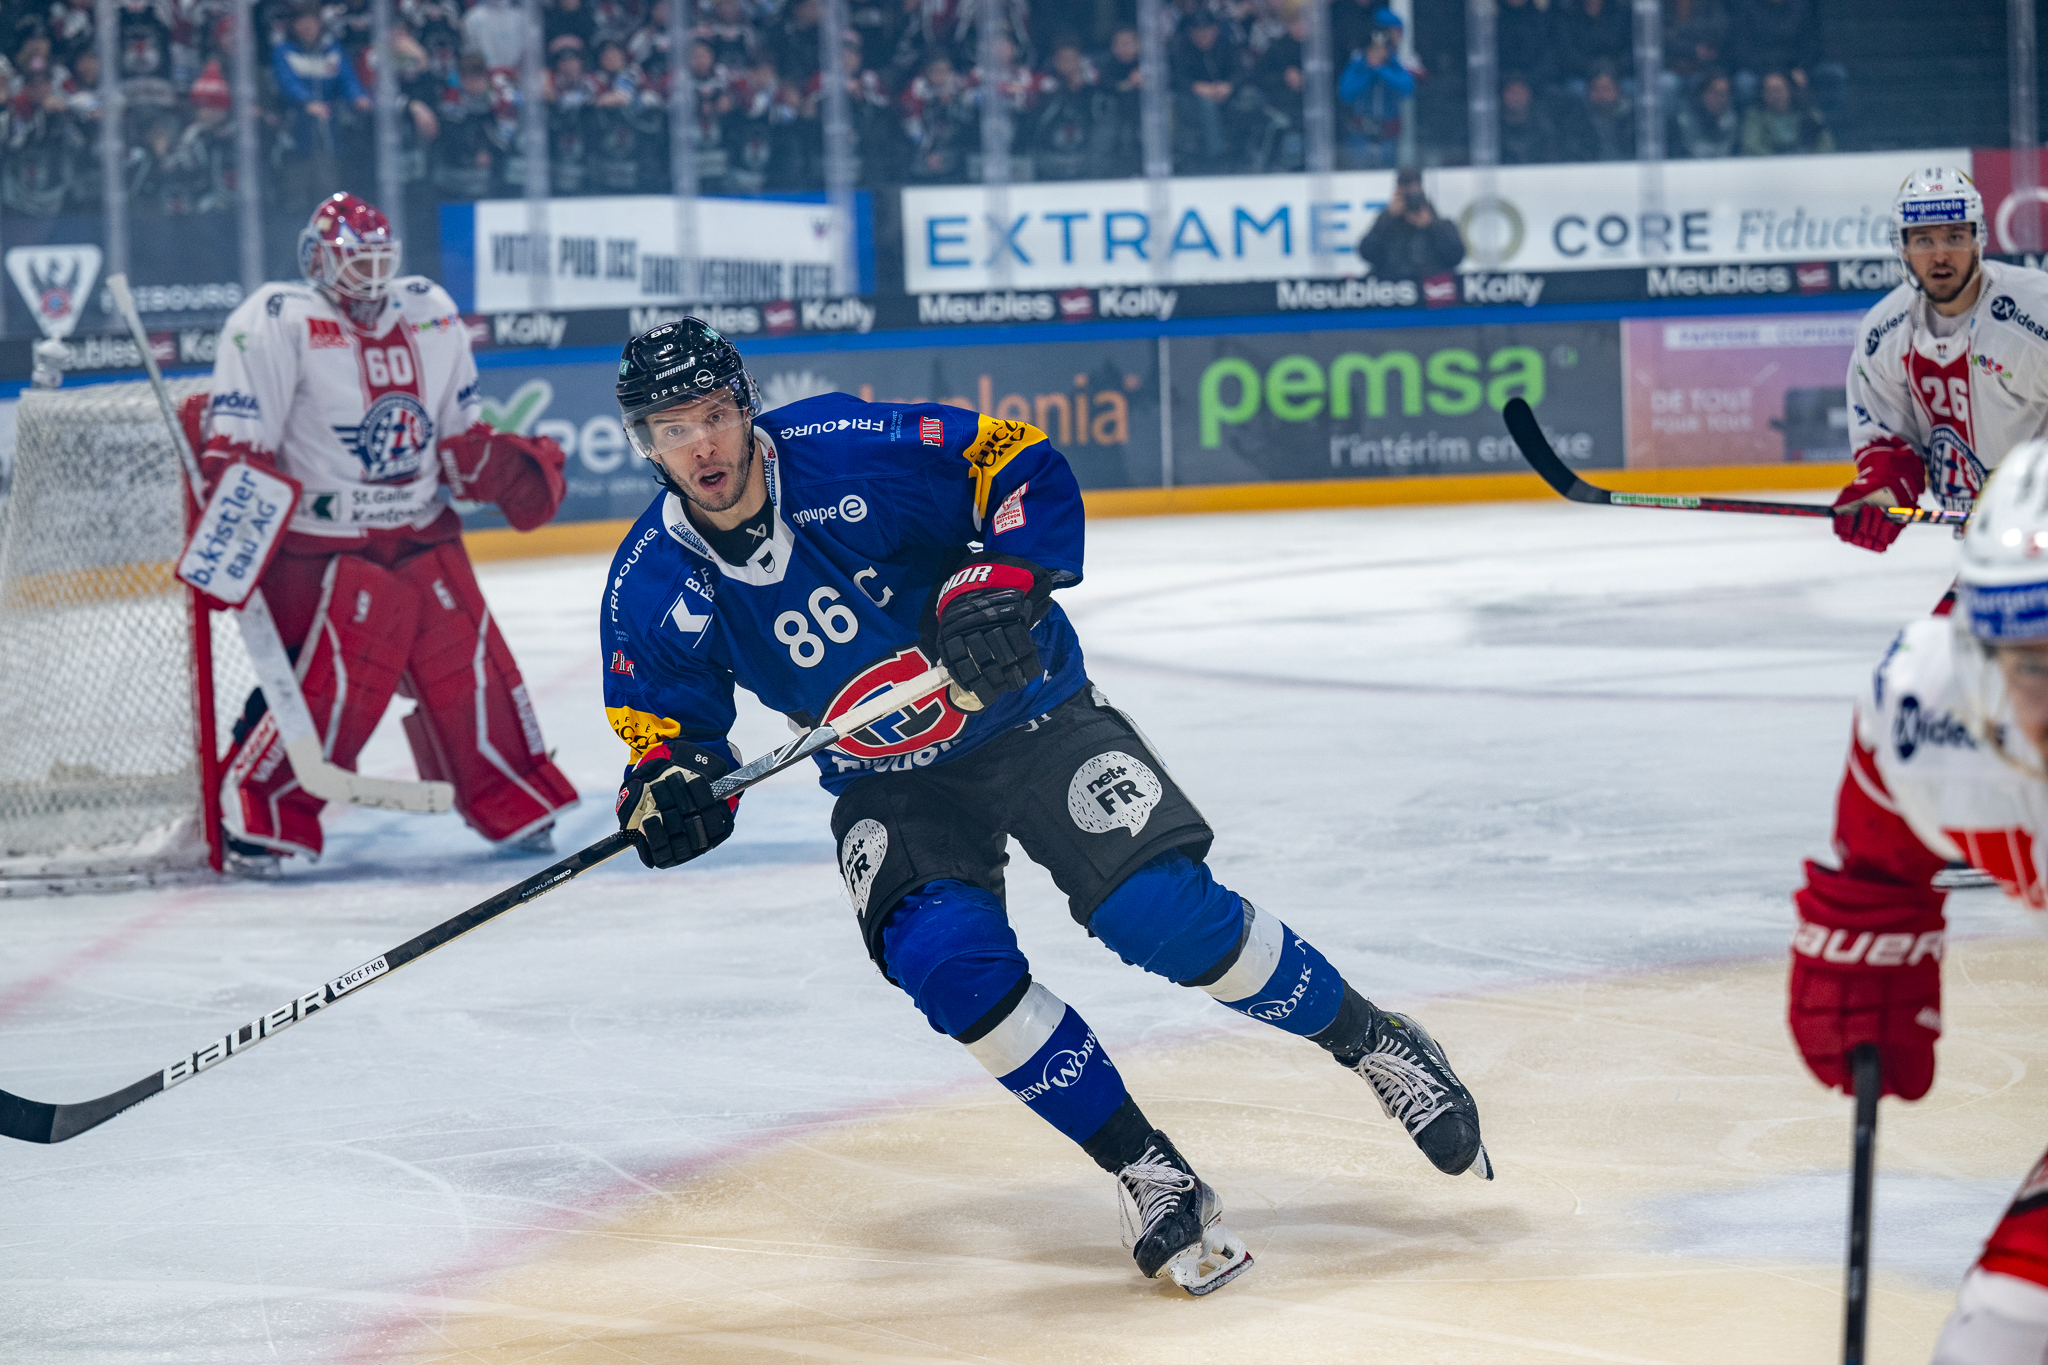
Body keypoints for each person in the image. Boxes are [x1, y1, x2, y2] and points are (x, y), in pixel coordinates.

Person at [597, 319, 1493, 1296]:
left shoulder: (849, 450)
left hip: (1029, 713)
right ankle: (1147, 1169)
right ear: (645, 445)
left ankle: (1378, 1043)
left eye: (713, 415)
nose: (701, 446)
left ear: (746, 406)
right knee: (946, 964)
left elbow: (1013, 460)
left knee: (1157, 913)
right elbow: (667, 734)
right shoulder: (650, 582)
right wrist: (668, 787)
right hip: (887, 779)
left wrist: (1003, 578)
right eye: (671, 429)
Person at [193, 192, 580, 864]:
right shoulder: (277, 317)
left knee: (470, 666)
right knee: (338, 682)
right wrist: (233, 533)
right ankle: (260, 808)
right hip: (318, 548)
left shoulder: (430, 309)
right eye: (355, 260)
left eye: (379, 259)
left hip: (421, 530)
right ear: (318, 258)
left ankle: (510, 792)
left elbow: (458, 431)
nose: (370, 275)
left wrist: (496, 465)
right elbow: (243, 443)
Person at [1789, 442, 2048, 1364]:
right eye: (2028, 663)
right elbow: (1880, 837)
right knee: (2001, 1336)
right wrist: (1870, 942)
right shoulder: (1934, 710)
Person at [1831, 169, 2048, 554]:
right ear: (1902, 247)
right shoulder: (1883, 334)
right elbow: (1891, 445)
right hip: (1989, 545)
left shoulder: (2036, 314)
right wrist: (1882, 494)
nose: (1940, 255)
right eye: (1924, 239)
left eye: (1955, 237)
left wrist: (2027, 491)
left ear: (1978, 240)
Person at [1356, 167, 1465, 281]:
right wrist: (1388, 217)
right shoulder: (1386, 223)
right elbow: (1366, 253)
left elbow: (1455, 257)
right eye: (1405, 194)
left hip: (1430, 285)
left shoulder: (1440, 224)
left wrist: (1432, 227)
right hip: (1393, 285)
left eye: (1413, 193)